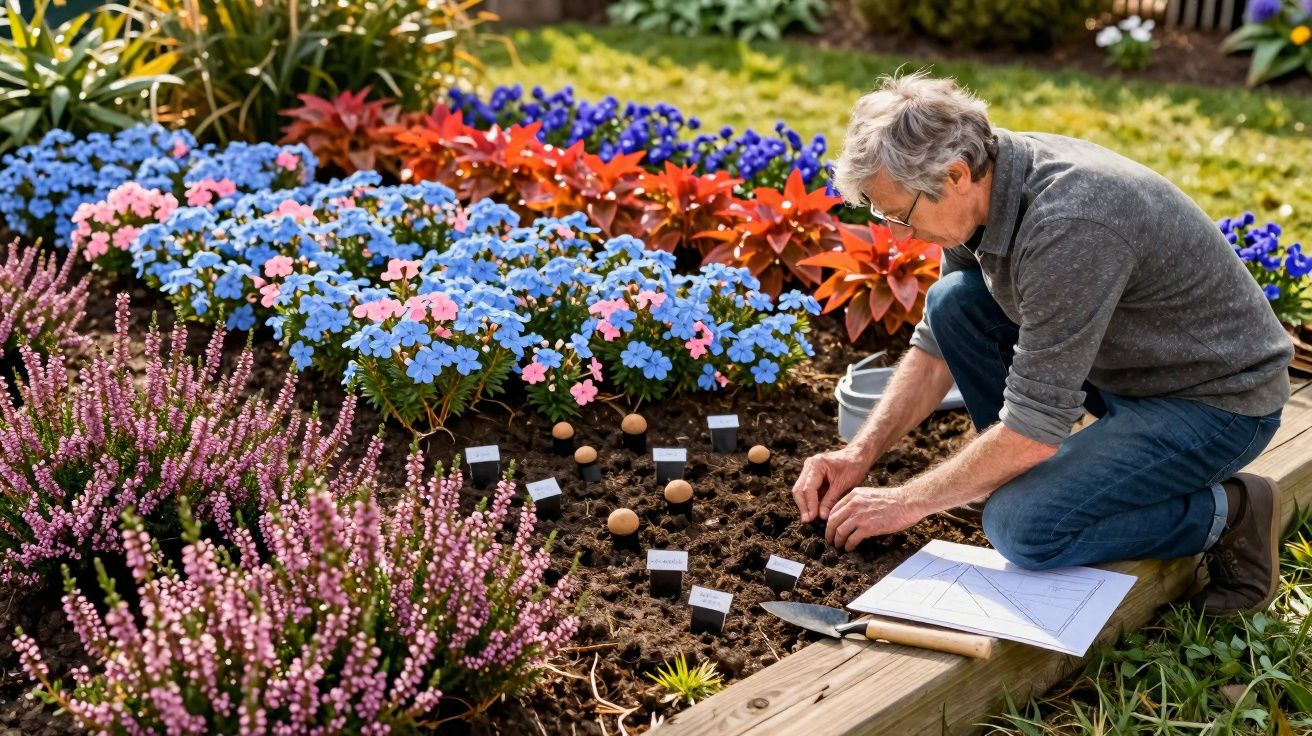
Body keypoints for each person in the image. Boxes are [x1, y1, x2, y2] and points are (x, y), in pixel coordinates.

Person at [792, 71, 1293, 616]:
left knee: (1022, 529)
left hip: (1213, 402)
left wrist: (909, 502)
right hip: (1126, 365)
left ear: (956, 175)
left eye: (901, 215)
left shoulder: (1069, 223)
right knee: (955, 304)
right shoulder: (982, 180)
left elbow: (1034, 429)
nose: (899, 234)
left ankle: (1231, 512)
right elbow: (937, 345)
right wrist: (858, 453)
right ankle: (1022, 484)